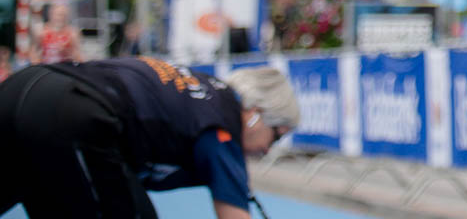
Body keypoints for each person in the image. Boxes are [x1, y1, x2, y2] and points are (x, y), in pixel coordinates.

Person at [0, 58, 297, 218]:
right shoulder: (223, 127)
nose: (267, 150)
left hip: (22, 88)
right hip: (73, 113)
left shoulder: (205, 90)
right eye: (275, 137)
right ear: (256, 114)